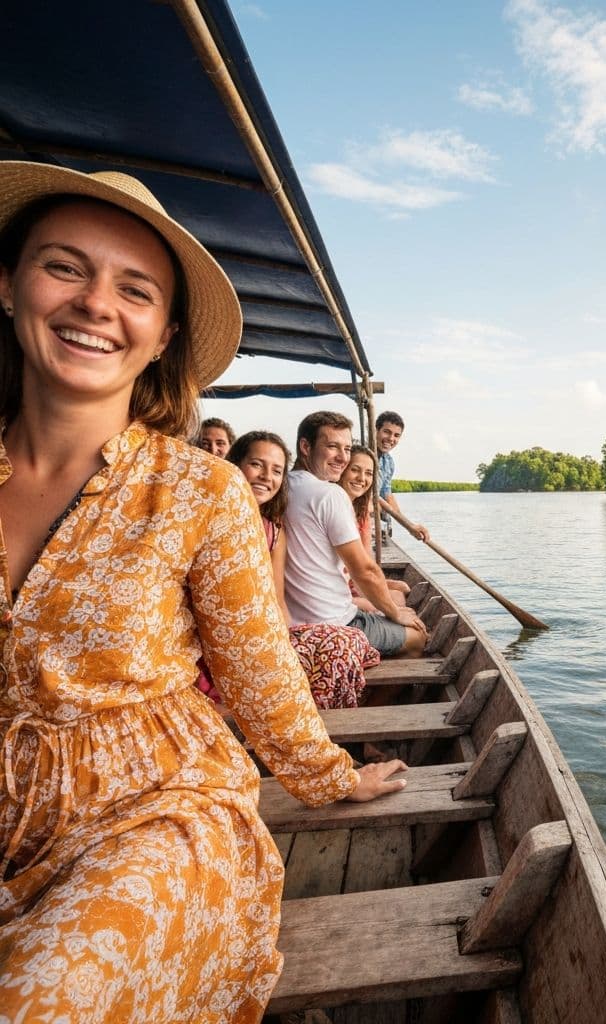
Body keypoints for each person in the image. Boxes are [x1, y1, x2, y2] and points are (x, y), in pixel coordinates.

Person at [0, 163, 405, 1023]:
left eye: (133, 289)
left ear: (162, 333)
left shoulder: (200, 490)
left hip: (149, 801)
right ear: (8, 286)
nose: (96, 303)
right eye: (64, 267)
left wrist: (331, 775)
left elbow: (258, 667)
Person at [226, 430, 380, 709]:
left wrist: (283, 648)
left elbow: (277, 599)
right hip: (228, 638)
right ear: (234, 465)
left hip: (267, 633)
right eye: (256, 465)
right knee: (347, 641)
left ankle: (333, 728)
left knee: (348, 642)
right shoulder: (213, 520)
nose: (265, 476)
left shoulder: (273, 528)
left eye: (276, 470)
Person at [284, 411, 427, 659]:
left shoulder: (281, 486)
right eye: (332, 447)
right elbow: (364, 571)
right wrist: (394, 612)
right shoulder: (329, 494)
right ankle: (368, 696)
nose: (342, 457)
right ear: (305, 447)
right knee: (418, 637)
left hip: (294, 617)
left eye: (347, 448)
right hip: (334, 622)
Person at [339, 443, 411, 611]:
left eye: (368, 473)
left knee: (402, 591)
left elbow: (367, 559)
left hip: (352, 581)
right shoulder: (334, 508)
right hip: (338, 589)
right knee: (398, 603)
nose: (361, 478)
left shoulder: (362, 510)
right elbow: (360, 569)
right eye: (355, 470)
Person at [376, 410, 429, 541]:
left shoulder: (388, 462)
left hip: (376, 524)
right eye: (387, 432)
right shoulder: (361, 455)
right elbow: (371, 496)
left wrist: (410, 526)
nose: (391, 439)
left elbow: (387, 497)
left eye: (396, 435)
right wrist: (409, 526)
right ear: (375, 430)